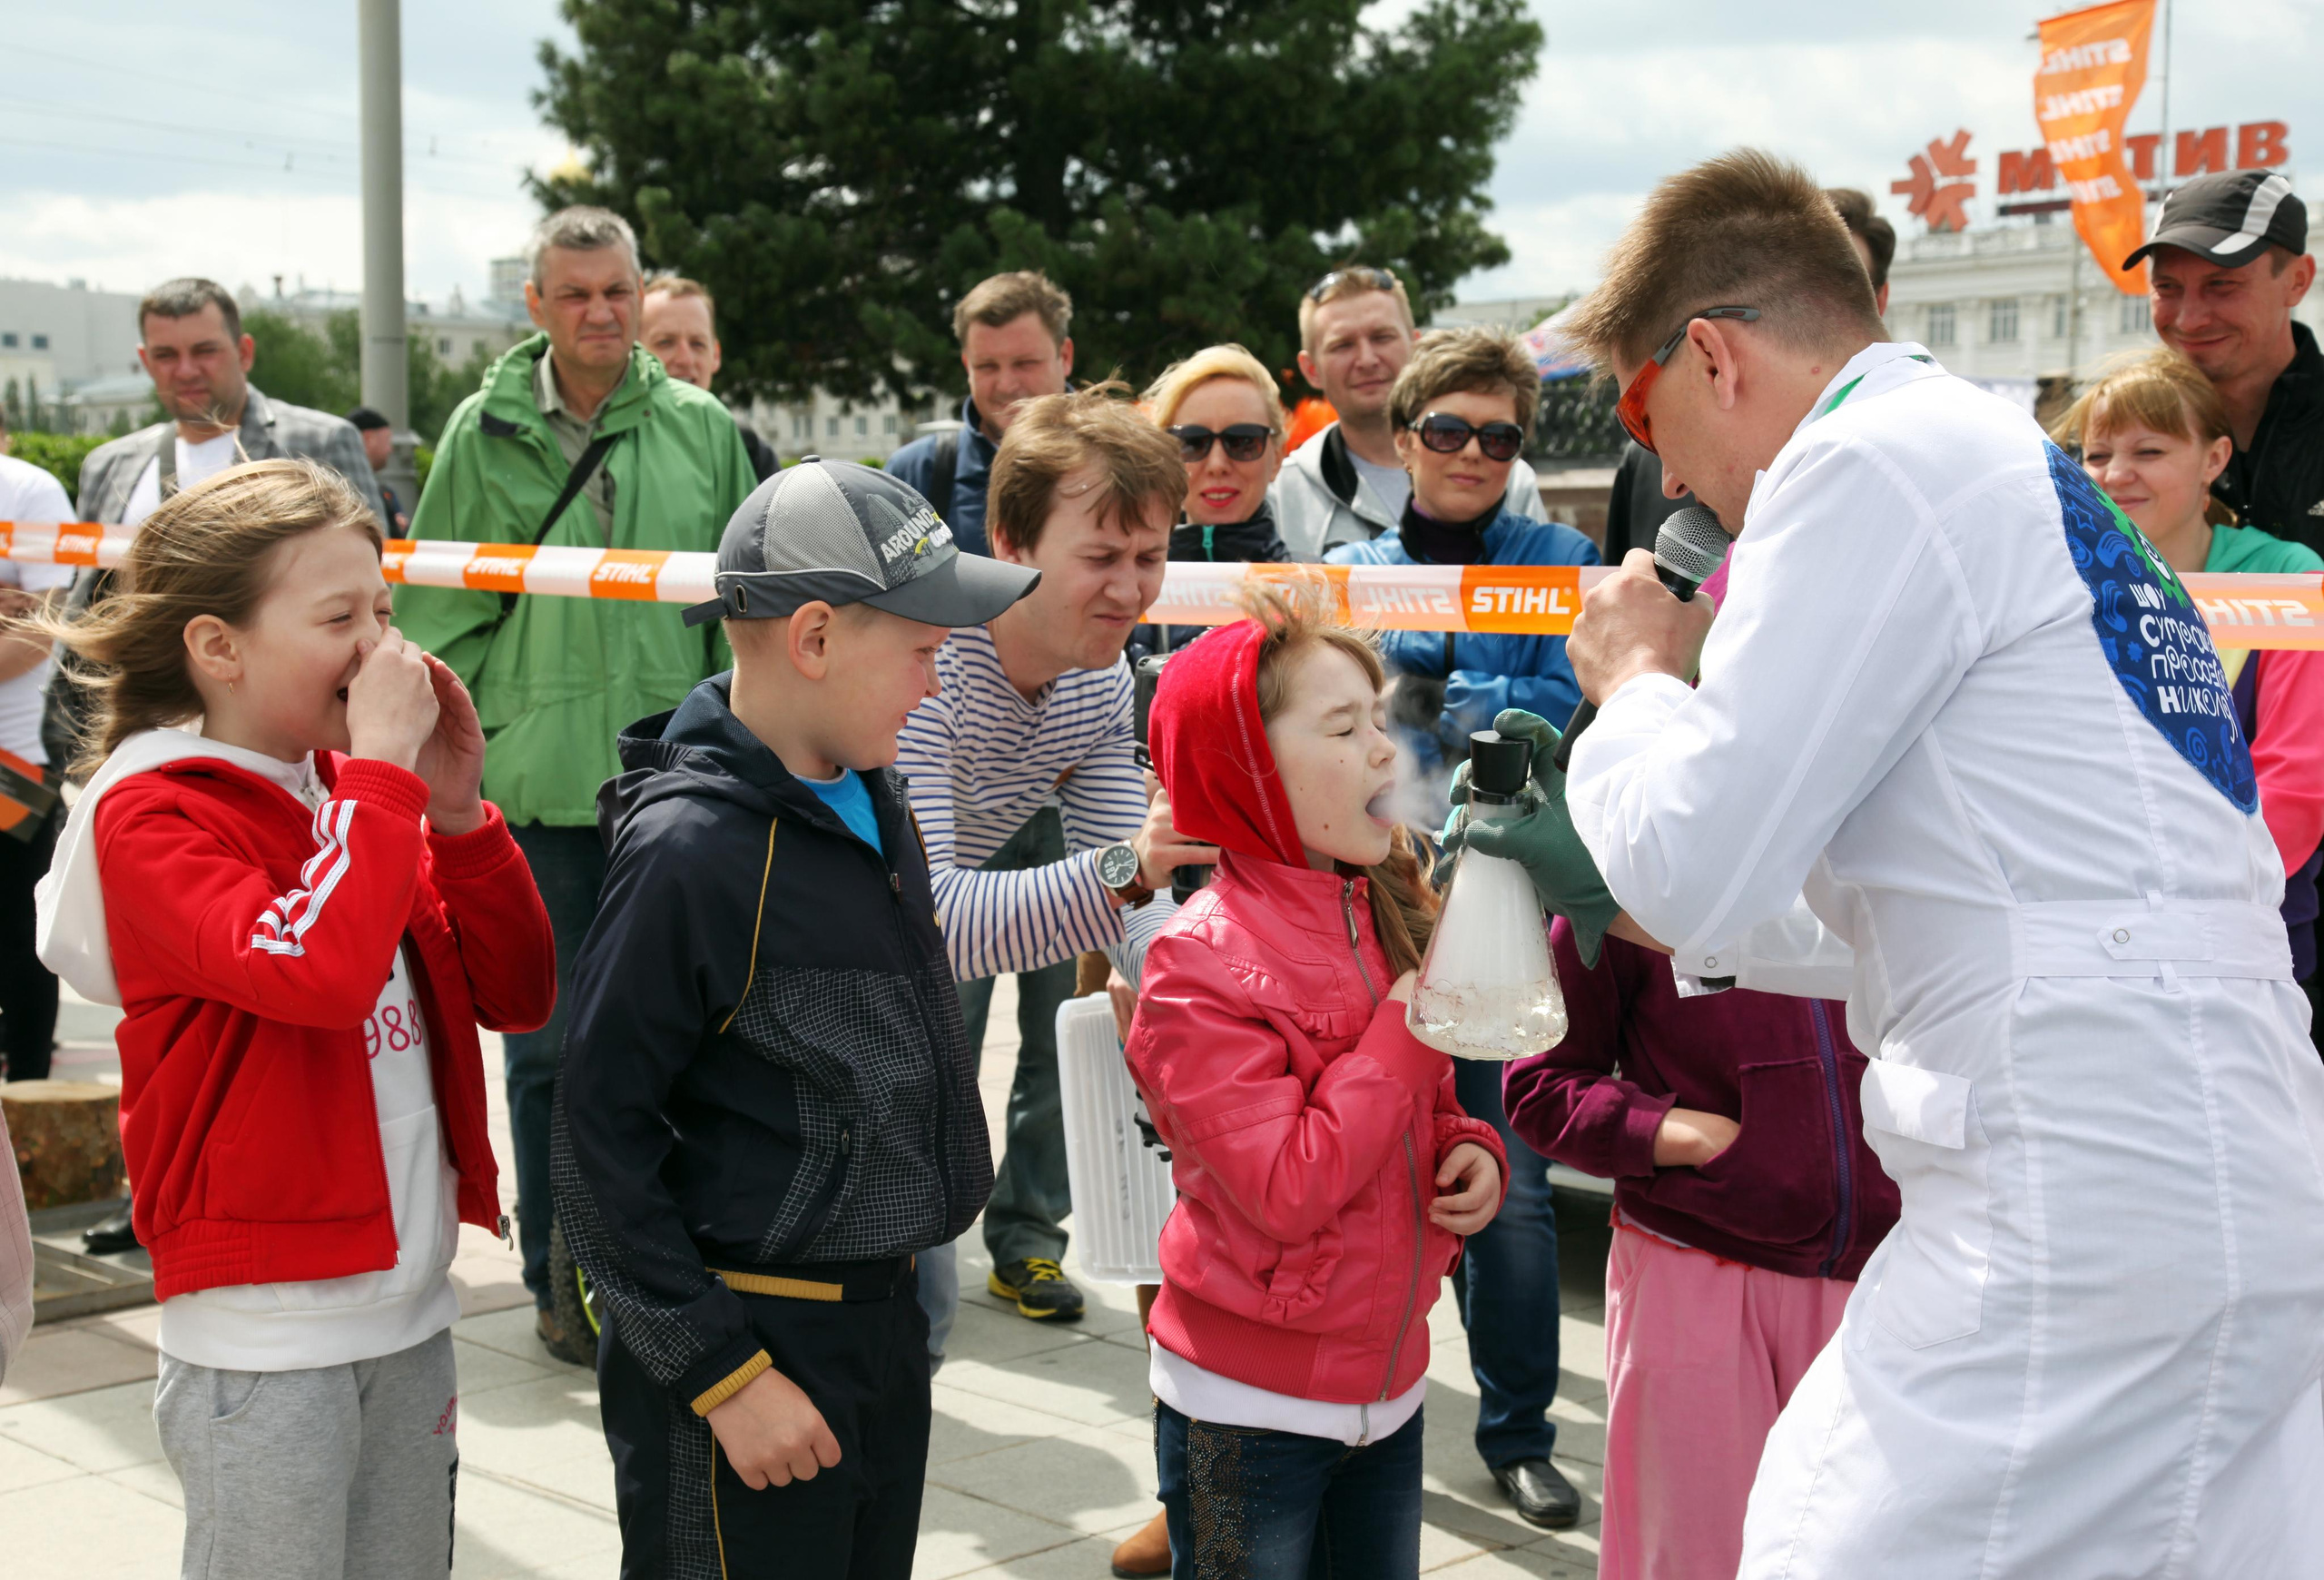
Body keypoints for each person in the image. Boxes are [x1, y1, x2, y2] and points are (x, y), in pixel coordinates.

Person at [1505, 147, 2324, 1576]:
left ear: (1713, 355)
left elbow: (1703, 862)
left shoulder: (1862, 458)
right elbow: (1958, 898)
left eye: (1646, 415)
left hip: (2075, 1167)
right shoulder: (1992, 459)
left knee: (1828, 1544)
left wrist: (1634, 685)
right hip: (2205, 1139)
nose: (1666, 472)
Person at [32, 458, 555, 1577]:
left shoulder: (353, 788)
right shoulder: (155, 811)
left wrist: (459, 816)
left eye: (384, 609)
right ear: (218, 648)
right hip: (269, 1333)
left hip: (406, 1304)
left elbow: (519, 996)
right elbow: (315, 970)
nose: (381, 648)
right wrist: (384, 786)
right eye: (336, 617)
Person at [551, 461, 1035, 1580]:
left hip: (877, 1332)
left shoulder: (879, 796)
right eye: (921, 648)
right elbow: (593, 1140)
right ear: (812, 638)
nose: (936, 677)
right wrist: (721, 1374)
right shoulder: (691, 854)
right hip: (754, 1357)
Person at [396, 205, 757, 1362]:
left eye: (618, 291)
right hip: (533, 796)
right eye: (575, 293)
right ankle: (561, 1279)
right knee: (547, 1050)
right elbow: (438, 611)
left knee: (685, 1041)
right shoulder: (481, 428)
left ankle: (666, 1268)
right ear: (537, 305)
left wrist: (722, 760)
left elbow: (732, 615)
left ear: (642, 294)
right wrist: (486, 742)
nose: (601, 312)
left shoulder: (703, 426)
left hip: (672, 789)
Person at [1128, 588, 1508, 1580]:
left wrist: (1472, 1149)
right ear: (1248, 771)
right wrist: (1406, 1025)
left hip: (1389, 1391)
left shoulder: (1373, 910)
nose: (1386, 750)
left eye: (1381, 719)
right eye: (1344, 726)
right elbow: (1289, 1187)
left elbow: (1422, 1110)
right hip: (1243, 1415)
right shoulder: (1196, 967)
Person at [43, 275, 390, 1255]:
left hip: (296, 747)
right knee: (209, 993)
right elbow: (96, 599)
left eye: (203, 349)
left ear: (241, 350)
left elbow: (365, 576)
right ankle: (175, 1173)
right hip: (192, 739)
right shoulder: (116, 462)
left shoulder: (316, 441)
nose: (186, 371)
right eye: (165, 354)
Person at [1325, 326, 1595, 1527]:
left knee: (1515, 1189)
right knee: (1348, 1172)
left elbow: (1555, 712)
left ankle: (1519, 1434)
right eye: (1450, 430)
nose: (1475, 452)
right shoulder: (1352, 565)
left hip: (1499, 904)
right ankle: (1338, 1413)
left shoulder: (1563, 557)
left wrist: (1441, 694)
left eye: (1500, 435)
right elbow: (1335, 718)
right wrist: (1447, 702)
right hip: (1371, 901)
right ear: (1404, 437)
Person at [894, 386, 1209, 1348]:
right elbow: (937, 918)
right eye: (1101, 557)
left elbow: (1132, 904)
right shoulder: (924, 661)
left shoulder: (1102, 680)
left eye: (1149, 558)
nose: (1130, 588)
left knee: (921, 1314)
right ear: (1008, 542)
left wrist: (1194, 1010)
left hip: (884, 977)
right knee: (901, 1306)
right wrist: (1130, 874)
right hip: (787, 980)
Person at [1502, 907, 1900, 1580]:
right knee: (1697, 1555)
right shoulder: (1626, 874)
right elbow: (1541, 1084)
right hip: (1695, 1270)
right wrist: (1682, 1135)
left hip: (1882, 1275)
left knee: (1859, 1548)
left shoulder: (1873, 861)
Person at [2053, 346, 2324, 1018]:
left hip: (2252, 941)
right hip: (2092, 942)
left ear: (2215, 459)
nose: (2115, 475)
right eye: (2095, 454)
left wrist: (2164, 893)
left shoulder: (2287, 576)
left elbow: (2298, 779)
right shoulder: (2055, 581)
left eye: (2149, 452)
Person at [1600, 186, 1890, 566]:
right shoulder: (1913, 448)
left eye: (1642, 419)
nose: (1671, 484)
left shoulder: (1863, 492)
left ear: (1712, 361)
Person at [1272, 266, 1549, 561]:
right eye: (1343, 345)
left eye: (1381, 337)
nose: (1366, 359)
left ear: (1415, 346)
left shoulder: (1510, 480)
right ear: (1310, 369)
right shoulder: (1284, 495)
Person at [2128, 170, 2322, 557]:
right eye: (2168, 288)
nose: (2189, 319)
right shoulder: (2114, 436)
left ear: (2298, 281)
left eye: (2222, 285)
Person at [887, 272, 1076, 555]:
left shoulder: (1122, 464)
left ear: (1065, 357)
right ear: (967, 366)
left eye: (1025, 363)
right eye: (987, 366)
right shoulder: (913, 477)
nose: (1007, 385)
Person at [1135, 343, 1295, 656]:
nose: (1218, 463)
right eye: (1192, 442)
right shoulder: (1125, 587)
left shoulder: (1315, 588)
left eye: (1243, 441)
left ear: (1277, 457)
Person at [0, 412, 74, 1083]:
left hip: (10, 769)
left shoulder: (24, 490)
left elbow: (33, 637)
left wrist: (18, 613)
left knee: (22, 949)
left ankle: (27, 1104)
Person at [641, 275, 782, 481]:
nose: (685, 359)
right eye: (665, 342)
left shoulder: (749, 451)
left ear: (715, 355)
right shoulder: (615, 445)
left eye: (697, 344)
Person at [345, 405, 409, 529]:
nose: (390, 450)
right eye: (387, 440)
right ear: (368, 438)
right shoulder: (347, 491)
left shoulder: (385, 492)